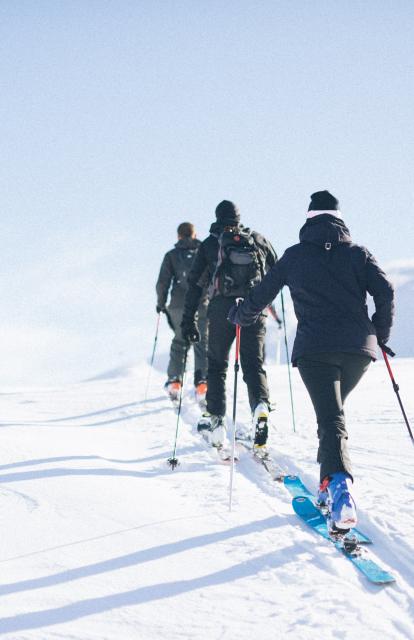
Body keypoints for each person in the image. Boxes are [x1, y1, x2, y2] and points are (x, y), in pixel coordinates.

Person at [228, 190, 394, 532]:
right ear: (339, 219)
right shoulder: (358, 253)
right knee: (330, 414)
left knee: (331, 416)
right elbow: (386, 291)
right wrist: (379, 333)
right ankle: (328, 486)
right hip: (357, 352)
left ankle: (340, 489)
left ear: (308, 219)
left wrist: (240, 315)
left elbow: (261, 294)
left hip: (315, 350)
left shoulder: (295, 256)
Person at [181, 200, 277, 447]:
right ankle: (260, 408)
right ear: (238, 218)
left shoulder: (211, 244)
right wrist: (263, 301)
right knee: (253, 364)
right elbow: (277, 270)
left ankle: (215, 420)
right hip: (253, 307)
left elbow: (195, 285)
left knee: (217, 365)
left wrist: (188, 320)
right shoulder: (256, 239)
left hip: (222, 308)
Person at [156, 222, 208, 404]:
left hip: (178, 305)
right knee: (202, 342)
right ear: (195, 234)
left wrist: (161, 304)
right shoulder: (204, 253)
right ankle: (202, 383)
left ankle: (175, 382)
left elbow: (163, 282)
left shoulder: (171, 256)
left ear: (178, 236)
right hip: (202, 303)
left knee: (180, 341)